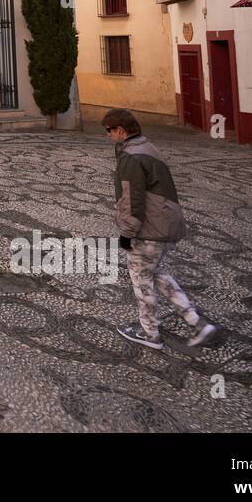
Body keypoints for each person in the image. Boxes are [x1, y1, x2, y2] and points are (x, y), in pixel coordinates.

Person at [103, 108, 217, 351]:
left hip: (149, 228)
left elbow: (131, 199)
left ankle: (150, 333)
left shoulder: (131, 157)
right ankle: (196, 321)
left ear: (121, 130)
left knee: (141, 280)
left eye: (109, 130)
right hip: (167, 222)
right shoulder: (147, 147)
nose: (108, 135)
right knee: (158, 274)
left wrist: (127, 233)